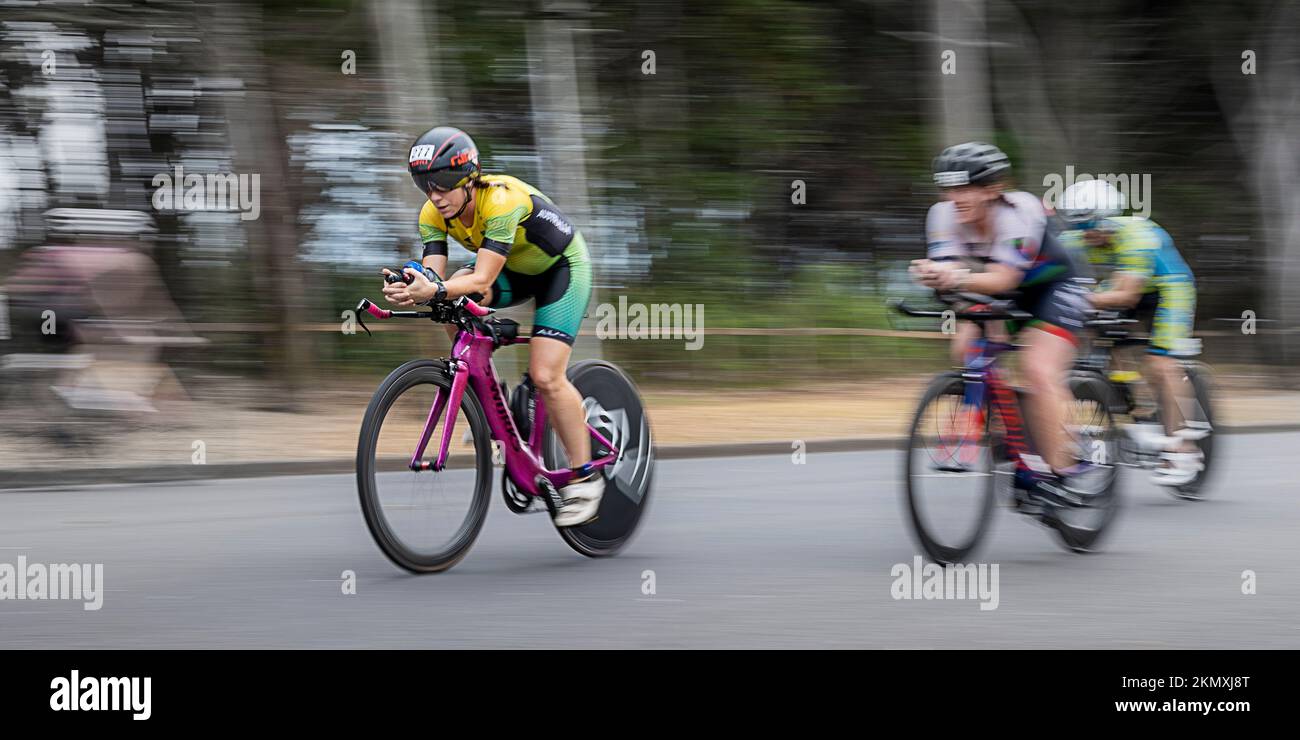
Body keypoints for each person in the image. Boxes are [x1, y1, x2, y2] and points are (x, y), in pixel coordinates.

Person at [381, 126, 601, 526]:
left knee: (546, 375)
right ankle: (493, 401)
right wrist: (413, 282)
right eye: (425, 185)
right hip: (513, 271)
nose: (435, 195)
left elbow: (480, 280)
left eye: (444, 183)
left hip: (561, 270)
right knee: (449, 306)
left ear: (470, 177)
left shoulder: (500, 200)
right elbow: (435, 279)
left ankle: (587, 477)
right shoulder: (432, 214)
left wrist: (436, 289)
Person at [911, 142, 1093, 506]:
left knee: (1037, 368)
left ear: (993, 189)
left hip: (1055, 284)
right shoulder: (942, 214)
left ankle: (1059, 472)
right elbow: (954, 276)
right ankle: (1016, 437)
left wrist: (953, 277)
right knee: (966, 349)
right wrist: (933, 274)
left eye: (966, 188)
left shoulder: (1017, 211)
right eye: (948, 188)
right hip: (999, 285)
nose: (955, 197)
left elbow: (1003, 280)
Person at [1056, 179, 1205, 485]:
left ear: (1109, 217)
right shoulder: (1075, 238)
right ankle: (1138, 409)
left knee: (1160, 363)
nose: (1086, 234)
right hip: (1123, 285)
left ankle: (1183, 448)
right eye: (1078, 227)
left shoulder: (1135, 236)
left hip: (1168, 288)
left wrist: (1077, 299)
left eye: (1091, 225)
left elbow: (1127, 296)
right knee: (1100, 333)